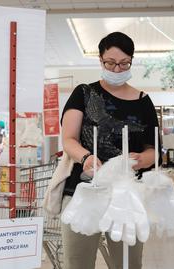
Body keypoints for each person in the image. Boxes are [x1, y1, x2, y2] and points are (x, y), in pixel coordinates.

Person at [60, 32, 160, 269]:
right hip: (83, 191)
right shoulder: (83, 94)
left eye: (124, 63)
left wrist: (140, 159)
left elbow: (154, 151)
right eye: (110, 63)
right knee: (77, 261)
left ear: (131, 61)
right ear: (100, 60)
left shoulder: (143, 101)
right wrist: (86, 157)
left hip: (127, 194)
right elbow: (69, 139)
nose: (117, 69)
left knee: (127, 263)